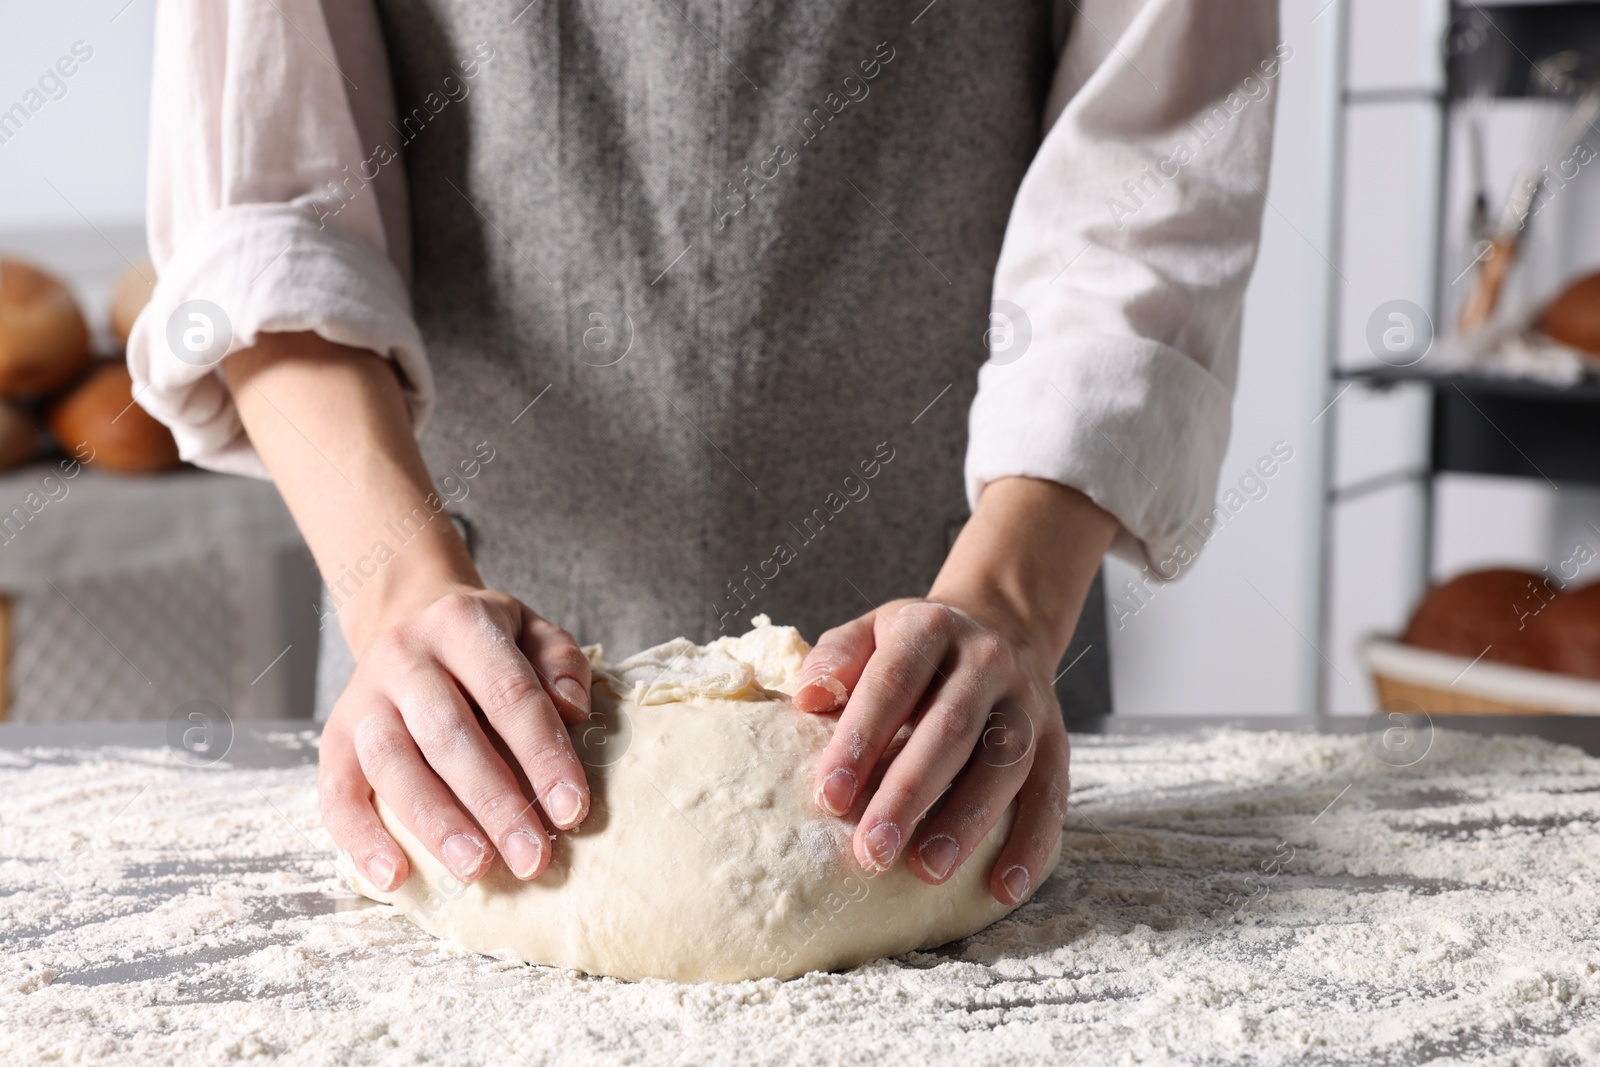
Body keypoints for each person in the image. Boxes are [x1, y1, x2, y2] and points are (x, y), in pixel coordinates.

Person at [131, 0, 1277, 909]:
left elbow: (1152, 169)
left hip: (962, 670)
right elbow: (267, 208)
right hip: (467, 698)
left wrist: (1012, 601)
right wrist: (399, 588)